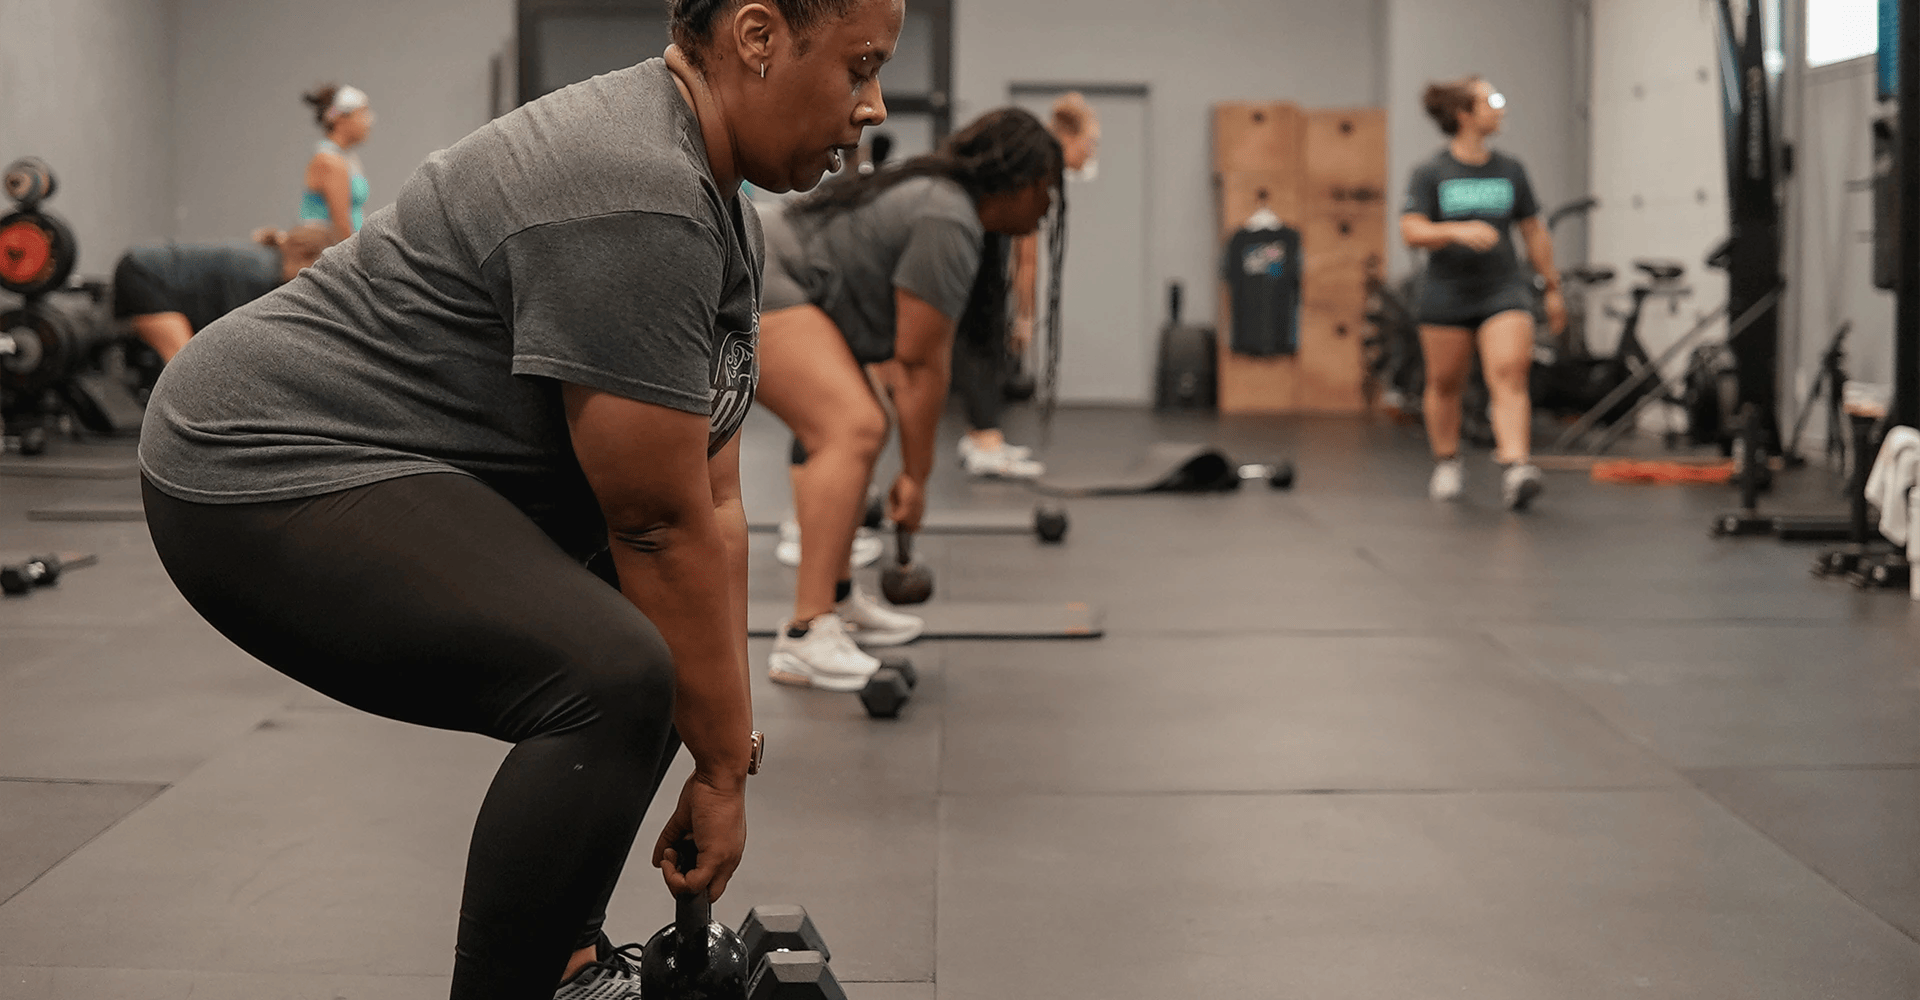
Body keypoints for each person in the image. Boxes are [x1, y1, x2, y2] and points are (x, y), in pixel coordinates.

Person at [138, 0, 900, 996]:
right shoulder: (636, 189)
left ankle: (567, 962)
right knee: (620, 671)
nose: (875, 106)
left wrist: (725, 744)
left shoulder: (723, 212)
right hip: (257, 463)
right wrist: (720, 774)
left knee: (669, 646)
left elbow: (710, 505)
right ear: (758, 40)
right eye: (860, 68)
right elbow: (656, 526)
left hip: (394, 457)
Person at [754, 107, 1062, 688]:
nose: (1047, 210)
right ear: (1015, 181)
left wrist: (913, 472)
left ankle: (837, 599)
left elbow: (917, 359)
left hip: (793, 276)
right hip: (767, 268)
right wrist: (916, 480)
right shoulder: (950, 216)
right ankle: (804, 631)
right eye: (1045, 191)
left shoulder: (949, 205)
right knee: (853, 427)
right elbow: (919, 363)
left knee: (863, 426)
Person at [1400, 75, 1564, 511]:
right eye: (1491, 101)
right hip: (1446, 292)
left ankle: (1516, 468)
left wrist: (1552, 287)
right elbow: (1411, 230)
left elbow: (1533, 230)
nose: (1501, 109)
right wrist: (1455, 230)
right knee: (1444, 382)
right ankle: (1448, 461)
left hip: (1502, 288)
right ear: (1464, 114)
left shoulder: (1511, 170)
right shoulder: (1431, 172)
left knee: (1510, 372)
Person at [954, 93, 1097, 480]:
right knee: (982, 340)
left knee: (981, 340)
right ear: (1069, 139)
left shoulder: (1031, 162)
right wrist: (1025, 317)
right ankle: (983, 439)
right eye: (1090, 144)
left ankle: (983, 436)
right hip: (982, 257)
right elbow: (1028, 259)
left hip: (985, 254)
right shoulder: (1034, 169)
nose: (1091, 154)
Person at [112, 224, 339, 363]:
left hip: (143, 268)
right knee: (186, 367)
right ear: (308, 258)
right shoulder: (259, 274)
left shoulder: (266, 264)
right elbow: (235, 339)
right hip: (143, 275)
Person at [300, 83, 376, 242]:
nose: (370, 121)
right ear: (341, 119)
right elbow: (341, 227)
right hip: (324, 255)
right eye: (362, 113)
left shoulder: (345, 158)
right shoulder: (330, 162)